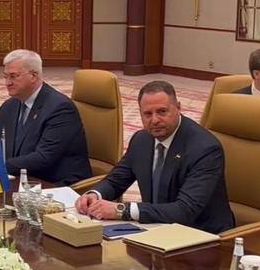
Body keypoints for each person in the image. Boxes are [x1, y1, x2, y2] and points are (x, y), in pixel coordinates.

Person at [75, 80, 234, 233]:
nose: (155, 120)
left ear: (178, 108)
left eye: (162, 111)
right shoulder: (141, 140)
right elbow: (115, 180)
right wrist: (94, 195)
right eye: (147, 114)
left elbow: (184, 210)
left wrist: (122, 210)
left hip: (201, 235)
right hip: (155, 227)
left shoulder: (205, 149)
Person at [0, 49, 91, 186]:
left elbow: (44, 157)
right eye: (5, 76)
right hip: (21, 178)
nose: (7, 83)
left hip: (55, 183)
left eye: (13, 76)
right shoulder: (10, 105)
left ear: (33, 76)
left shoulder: (60, 108)